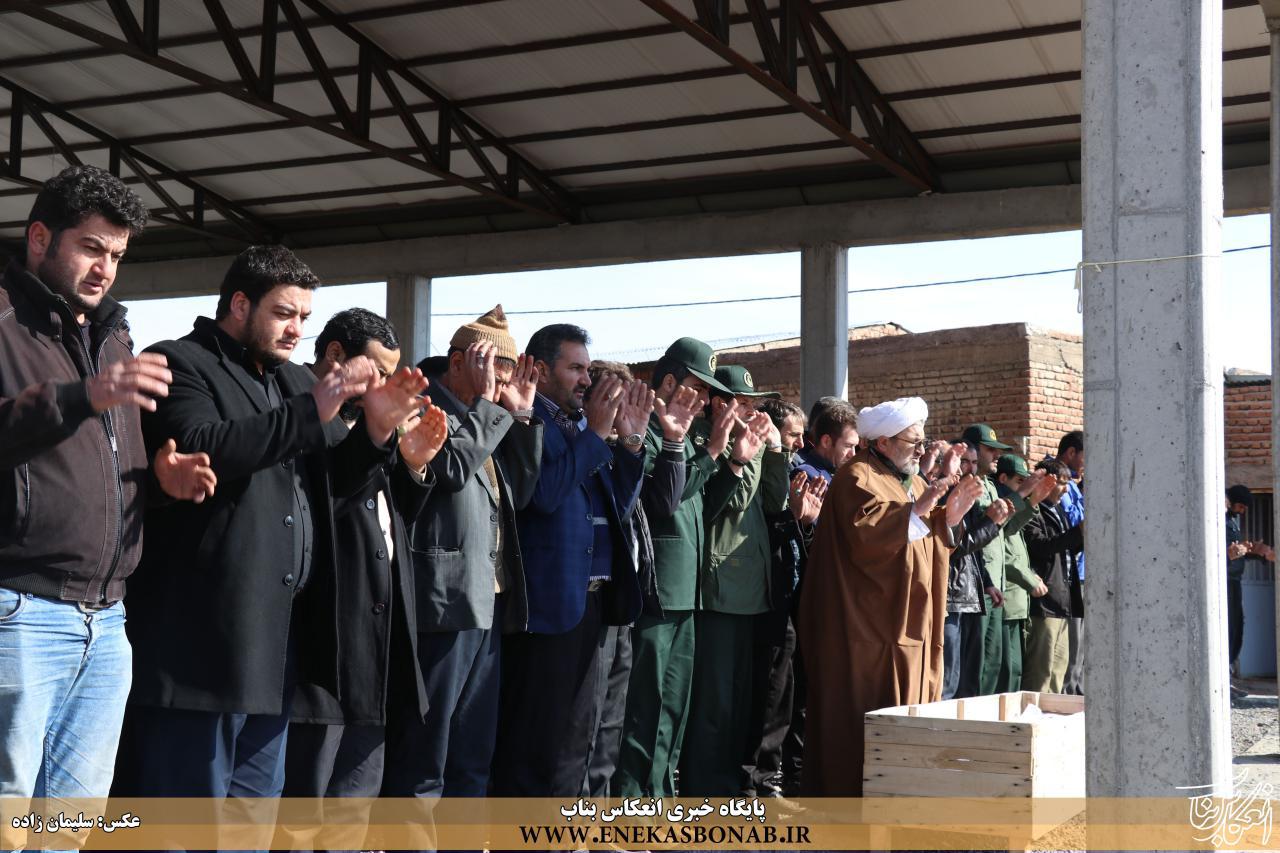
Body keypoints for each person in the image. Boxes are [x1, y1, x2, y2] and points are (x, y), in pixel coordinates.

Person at [123, 245, 428, 803]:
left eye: (304, 317)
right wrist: (316, 407)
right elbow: (204, 446)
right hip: (202, 647)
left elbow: (334, 481)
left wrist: (376, 433)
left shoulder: (291, 383)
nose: (296, 331)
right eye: (284, 313)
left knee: (252, 817)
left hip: (278, 645)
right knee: (186, 817)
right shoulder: (178, 362)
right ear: (240, 304)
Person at [0, 165, 213, 805]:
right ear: (40, 237)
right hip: (18, 611)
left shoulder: (114, 336)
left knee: (70, 819)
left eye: (117, 255)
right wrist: (80, 396)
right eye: (92, 248)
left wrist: (159, 483)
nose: (106, 269)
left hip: (108, 620)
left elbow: (96, 467)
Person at [282, 309, 447, 808]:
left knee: (356, 795)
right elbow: (323, 503)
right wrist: (375, 437)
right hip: (324, 636)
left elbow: (385, 516)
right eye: (376, 371)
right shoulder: (294, 407)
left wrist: (412, 466)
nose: (382, 386)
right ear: (335, 354)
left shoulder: (372, 421)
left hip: (377, 636)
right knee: (306, 798)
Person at [380, 306, 543, 800]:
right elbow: (449, 470)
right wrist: (490, 409)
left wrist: (521, 418)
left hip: (485, 603)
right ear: (458, 361)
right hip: (441, 605)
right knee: (424, 757)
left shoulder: (486, 418)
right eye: (494, 372)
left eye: (506, 376)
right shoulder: (423, 406)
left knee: (472, 756)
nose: (501, 385)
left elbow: (523, 494)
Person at [490, 324, 652, 796]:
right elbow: (542, 494)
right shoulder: (524, 420)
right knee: (537, 744)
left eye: (587, 368)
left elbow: (617, 508)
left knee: (579, 742)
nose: (586, 379)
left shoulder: (579, 425)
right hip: (549, 607)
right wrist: (597, 433)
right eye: (575, 369)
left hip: (593, 605)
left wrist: (631, 445)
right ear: (540, 370)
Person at [799, 397, 982, 795]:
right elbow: (867, 540)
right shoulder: (856, 477)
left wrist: (949, 520)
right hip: (863, 636)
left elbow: (930, 544)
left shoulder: (915, 483)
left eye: (922, 442)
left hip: (911, 630)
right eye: (913, 442)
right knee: (858, 731)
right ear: (882, 442)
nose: (920, 450)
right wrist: (915, 513)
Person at [614, 337, 734, 798]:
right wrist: (705, 454)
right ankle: (630, 804)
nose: (704, 399)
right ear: (668, 381)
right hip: (657, 590)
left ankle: (660, 800)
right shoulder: (643, 428)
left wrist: (717, 456)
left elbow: (700, 508)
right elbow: (662, 502)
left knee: (673, 710)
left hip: (686, 589)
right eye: (697, 387)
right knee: (643, 707)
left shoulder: (685, 433)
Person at [581, 360, 689, 797]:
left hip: (624, 604)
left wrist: (673, 442)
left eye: (630, 404)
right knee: (584, 727)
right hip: (588, 602)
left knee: (611, 725)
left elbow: (662, 501)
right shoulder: (585, 448)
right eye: (615, 402)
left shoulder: (628, 449)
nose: (625, 413)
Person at [679, 365, 785, 796]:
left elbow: (775, 501)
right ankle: (706, 786)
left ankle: (727, 783)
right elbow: (736, 499)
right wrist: (747, 452)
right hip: (721, 587)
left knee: (740, 698)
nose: (754, 413)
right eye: (745, 404)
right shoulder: (709, 440)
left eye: (756, 405)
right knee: (715, 699)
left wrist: (774, 451)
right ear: (721, 404)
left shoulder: (749, 444)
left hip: (749, 589)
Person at [942, 444, 1009, 700]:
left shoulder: (967, 499)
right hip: (951, 597)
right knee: (949, 679)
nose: (970, 468)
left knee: (967, 678)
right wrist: (990, 523)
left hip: (969, 595)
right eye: (964, 462)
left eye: (973, 462)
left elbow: (975, 553)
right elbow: (955, 547)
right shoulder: (946, 497)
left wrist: (988, 583)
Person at [994, 454, 1055, 693]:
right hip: (1006, 601)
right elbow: (1003, 554)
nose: (1026, 486)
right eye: (1020, 481)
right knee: (1004, 672)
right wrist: (1028, 579)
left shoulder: (1013, 508)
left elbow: (1015, 546)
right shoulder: (998, 506)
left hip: (1017, 604)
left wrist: (1032, 502)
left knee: (1015, 671)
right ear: (1003, 478)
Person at [1022, 459, 1082, 693]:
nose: (1066, 490)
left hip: (1063, 600)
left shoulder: (1058, 511)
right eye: (1062, 483)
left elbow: (1064, 549)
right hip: (1045, 601)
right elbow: (1041, 546)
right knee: (1041, 669)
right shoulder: (1033, 510)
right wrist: (1077, 533)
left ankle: (1051, 712)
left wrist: (1081, 538)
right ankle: (1031, 711)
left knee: (1059, 669)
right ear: (1046, 481)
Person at [1052, 430, 1086, 695]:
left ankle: (1077, 691)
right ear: (1071, 452)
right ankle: (1068, 694)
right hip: (1068, 572)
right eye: (1085, 455)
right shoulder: (1058, 480)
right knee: (1070, 643)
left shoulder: (1073, 483)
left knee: (1081, 644)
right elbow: (1074, 521)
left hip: (1081, 570)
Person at [1226, 484, 1253, 694]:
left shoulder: (1233, 520)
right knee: (1229, 628)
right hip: (1225, 580)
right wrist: (1234, 551)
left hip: (1235, 580)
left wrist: (1254, 552)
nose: (1242, 511)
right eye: (1241, 506)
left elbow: (1235, 551)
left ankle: (1228, 674)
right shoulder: (1221, 520)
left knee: (1237, 628)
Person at [793, 398, 858, 484]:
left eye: (854, 446)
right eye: (848, 446)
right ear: (826, 441)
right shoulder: (807, 476)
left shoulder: (842, 473)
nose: (853, 454)